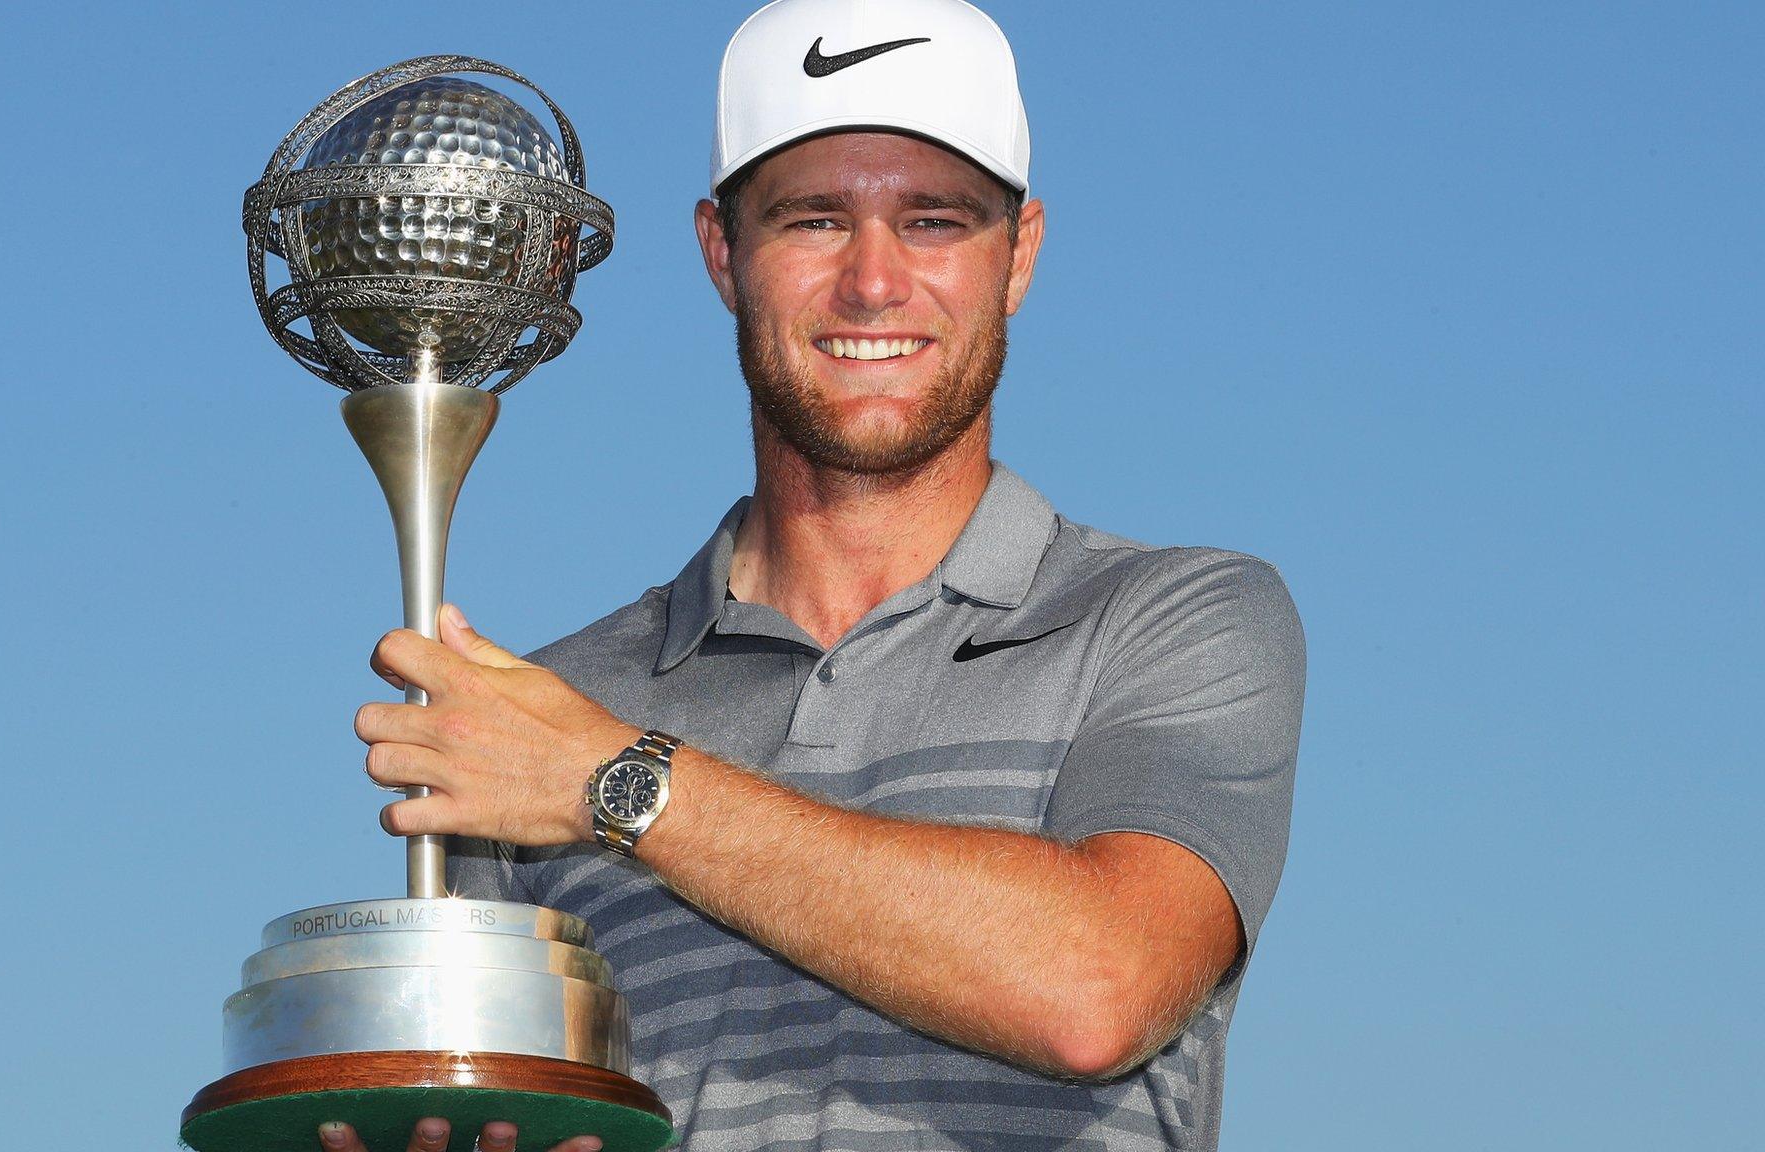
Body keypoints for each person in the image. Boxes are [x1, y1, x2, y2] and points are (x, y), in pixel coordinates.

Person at [322, 0, 1305, 1149]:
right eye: (812, 221)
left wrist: (620, 785)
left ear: (1019, 255)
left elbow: (1098, 987)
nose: (874, 282)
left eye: (934, 220)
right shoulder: (545, 714)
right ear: (720, 255)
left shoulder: (1172, 619)